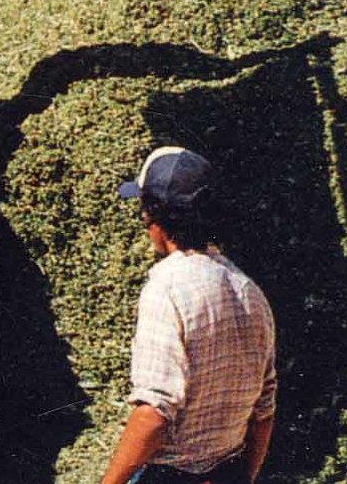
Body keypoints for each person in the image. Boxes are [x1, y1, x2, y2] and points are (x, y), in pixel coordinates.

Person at [98, 147, 276, 484]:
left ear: (153, 216)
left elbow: (154, 413)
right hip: (228, 469)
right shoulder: (249, 291)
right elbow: (263, 412)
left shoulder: (166, 290)